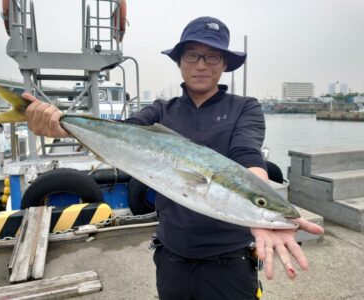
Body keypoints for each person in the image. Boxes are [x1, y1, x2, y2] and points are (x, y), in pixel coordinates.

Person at [24, 16, 324, 300]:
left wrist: (262, 204)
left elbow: (247, 156)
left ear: (224, 64)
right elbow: (119, 136)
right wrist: (63, 127)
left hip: (231, 262)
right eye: (192, 55)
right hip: (171, 259)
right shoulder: (160, 110)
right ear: (180, 62)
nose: (201, 65)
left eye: (212, 57)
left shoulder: (244, 108)